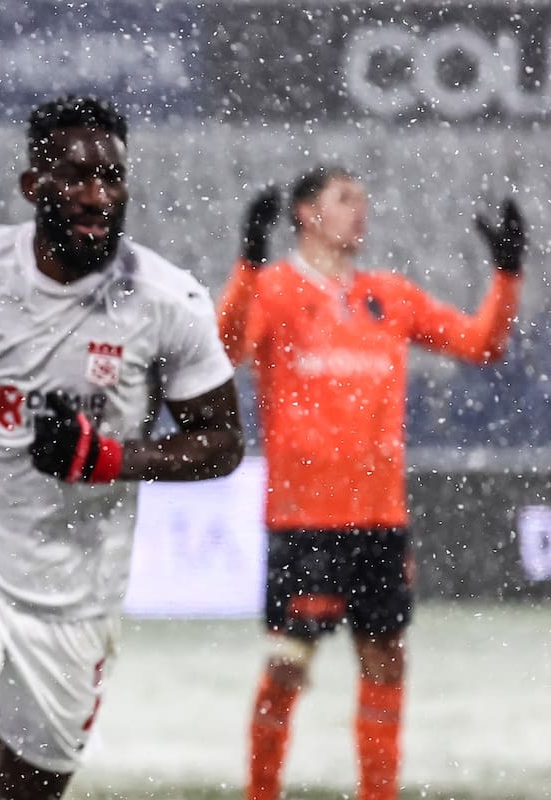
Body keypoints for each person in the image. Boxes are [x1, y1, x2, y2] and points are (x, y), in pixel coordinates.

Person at [0, 95, 246, 800]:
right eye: (76, 176)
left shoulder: (167, 301)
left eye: (112, 178)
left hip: (75, 596)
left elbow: (221, 444)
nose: (98, 196)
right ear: (33, 185)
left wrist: (112, 459)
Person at [218, 166, 525, 800]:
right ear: (307, 213)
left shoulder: (390, 296)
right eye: (345, 199)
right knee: (288, 666)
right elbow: (223, 352)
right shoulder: (274, 291)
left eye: (364, 200)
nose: (361, 211)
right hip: (304, 521)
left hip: (379, 520)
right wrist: (247, 263)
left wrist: (507, 275)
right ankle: (260, 792)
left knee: (386, 660)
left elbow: (482, 343)